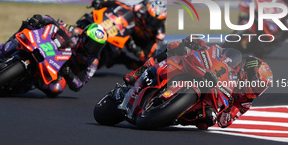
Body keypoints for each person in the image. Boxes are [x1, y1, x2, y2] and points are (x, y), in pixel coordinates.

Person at [116, 36, 273, 130]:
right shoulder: (233, 64)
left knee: (208, 121)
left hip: (206, 102)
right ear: (248, 73)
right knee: (177, 47)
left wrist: (226, 107)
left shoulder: (245, 103)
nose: (257, 90)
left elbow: (225, 122)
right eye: (257, 84)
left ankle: (172, 115)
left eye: (261, 88)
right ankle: (139, 72)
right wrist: (199, 45)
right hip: (203, 73)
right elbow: (219, 54)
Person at [0, 14, 107, 97]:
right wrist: (40, 19)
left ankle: (20, 86)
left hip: (58, 69)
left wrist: (69, 74)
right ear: (84, 36)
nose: (92, 48)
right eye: (90, 43)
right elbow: (56, 24)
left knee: (56, 89)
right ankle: (8, 45)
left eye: (97, 46)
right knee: (29, 26)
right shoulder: (76, 31)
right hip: (49, 49)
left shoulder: (92, 61)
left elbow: (79, 84)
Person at [89, 0, 167, 69]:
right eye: (151, 19)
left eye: (157, 22)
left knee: (142, 67)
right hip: (124, 31)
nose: (153, 24)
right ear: (146, 14)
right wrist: (104, 2)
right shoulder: (139, 9)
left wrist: (135, 48)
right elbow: (122, 6)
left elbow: (147, 56)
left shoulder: (158, 34)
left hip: (138, 43)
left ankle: (116, 59)